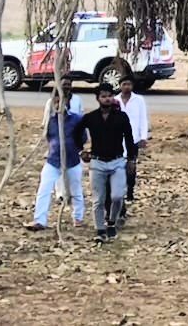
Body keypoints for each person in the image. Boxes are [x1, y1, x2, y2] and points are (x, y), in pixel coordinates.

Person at [78, 84, 137, 242]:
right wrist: (81, 151)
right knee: (98, 199)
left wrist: (131, 159)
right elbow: (76, 133)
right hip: (97, 162)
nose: (107, 99)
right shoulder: (91, 117)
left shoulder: (121, 117)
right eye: (103, 96)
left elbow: (130, 139)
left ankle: (111, 222)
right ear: (98, 99)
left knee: (117, 196)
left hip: (117, 161)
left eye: (110, 95)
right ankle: (100, 230)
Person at [27, 86, 85, 231]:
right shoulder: (51, 121)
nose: (59, 105)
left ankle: (78, 217)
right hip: (53, 160)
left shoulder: (77, 120)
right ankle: (40, 220)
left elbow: (83, 138)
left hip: (72, 161)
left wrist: (73, 149)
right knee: (44, 188)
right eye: (56, 101)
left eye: (62, 102)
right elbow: (49, 137)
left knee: (75, 189)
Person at [116, 76, 150, 206]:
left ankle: (130, 192)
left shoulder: (139, 100)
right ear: (120, 86)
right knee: (118, 167)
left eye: (129, 84)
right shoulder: (115, 101)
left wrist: (143, 137)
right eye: (124, 84)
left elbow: (143, 119)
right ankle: (119, 192)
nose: (126, 87)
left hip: (134, 139)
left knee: (131, 167)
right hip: (118, 140)